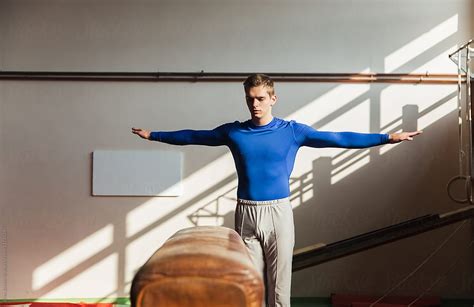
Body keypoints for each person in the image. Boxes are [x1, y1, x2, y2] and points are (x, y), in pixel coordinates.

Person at [131, 73, 422, 307]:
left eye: (260, 98)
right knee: (252, 288)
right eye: (249, 99)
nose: (254, 104)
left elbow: (337, 138)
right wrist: (155, 135)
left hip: (278, 213)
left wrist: (387, 137)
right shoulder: (234, 132)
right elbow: (194, 136)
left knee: (280, 291)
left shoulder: (292, 132)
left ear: (273, 98)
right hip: (246, 213)